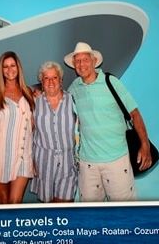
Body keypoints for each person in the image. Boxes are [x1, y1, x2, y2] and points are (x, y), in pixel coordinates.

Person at [64, 42, 152, 202]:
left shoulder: (111, 82)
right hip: (87, 164)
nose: (81, 64)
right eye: (77, 61)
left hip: (117, 160)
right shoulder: (73, 88)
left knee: (125, 213)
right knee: (91, 216)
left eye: (85, 59)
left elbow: (135, 113)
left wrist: (145, 145)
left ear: (93, 61)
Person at [0, 51, 35, 204]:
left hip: (23, 155)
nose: (10, 70)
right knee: (3, 203)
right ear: (1, 70)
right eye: (5, 67)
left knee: (15, 202)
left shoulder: (29, 92)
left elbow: (33, 126)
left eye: (13, 65)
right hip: (1, 156)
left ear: (18, 67)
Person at [31, 61, 78, 202]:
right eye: (46, 78)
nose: (51, 82)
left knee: (65, 204)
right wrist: (30, 161)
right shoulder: (34, 102)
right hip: (44, 162)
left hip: (68, 161)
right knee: (48, 206)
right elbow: (29, 133)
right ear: (41, 81)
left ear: (61, 80)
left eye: (54, 78)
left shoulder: (73, 100)